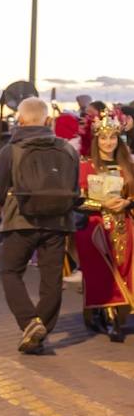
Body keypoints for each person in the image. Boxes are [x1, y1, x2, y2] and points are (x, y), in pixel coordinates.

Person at [0, 97, 81, 354]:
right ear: (47, 119)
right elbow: (74, 186)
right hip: (59, 221)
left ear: (20, 119)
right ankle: (41, 331)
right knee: (51, 279)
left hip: (21, 221)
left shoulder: (11, 150)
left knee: (10, 271)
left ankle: (30, 322)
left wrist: (7, 208)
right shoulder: (68, 150)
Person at [71, 109, 134, 340]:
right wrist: (101, 204)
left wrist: (127, 202)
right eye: (104, 138)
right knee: (103, 272)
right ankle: (109, 316)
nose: (109, 142)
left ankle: (116, 313)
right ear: (96, 140)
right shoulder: (85, 166)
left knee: (125, 271)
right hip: (95, 227)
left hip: (124, 226)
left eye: (113, 137)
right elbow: (76, 201)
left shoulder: (128, 165)